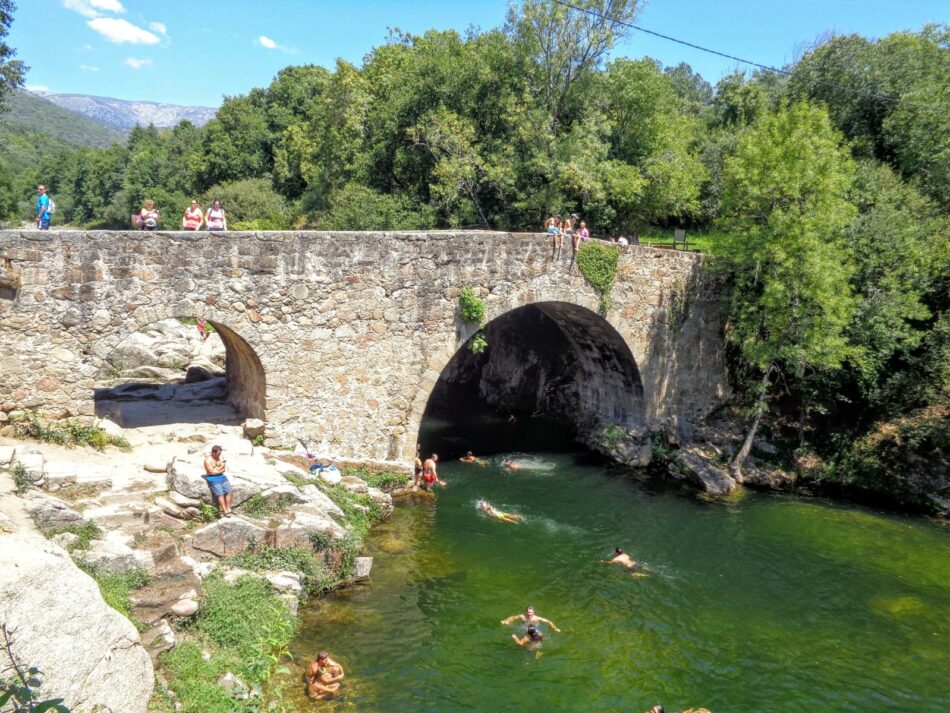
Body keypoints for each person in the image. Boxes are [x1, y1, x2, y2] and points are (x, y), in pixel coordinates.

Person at [203, 445, 234, 517]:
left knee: (230, 491)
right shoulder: (208, 460)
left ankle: (229, 509)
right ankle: (225, 511)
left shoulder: (219, 458)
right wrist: (220, 467)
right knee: (220, 494)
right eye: (218, 454)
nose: (219, 455)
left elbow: (224, 469)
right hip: (212, 478)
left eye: (220, 454)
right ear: (213, 452)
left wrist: (217, 469)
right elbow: (211, 472)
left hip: (222, 476)